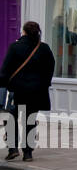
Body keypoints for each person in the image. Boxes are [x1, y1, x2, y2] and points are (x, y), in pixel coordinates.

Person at [1, 21, 56, 162]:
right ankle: (28, 153)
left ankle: (12, 149)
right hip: (36, 91)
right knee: (30, 120)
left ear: (24, 32)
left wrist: (3, 83)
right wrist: (44, 84)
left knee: (11, 118)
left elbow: (6, 69)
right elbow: (50, 68)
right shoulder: (43, 48)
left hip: (16, 90)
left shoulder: (15, 47)